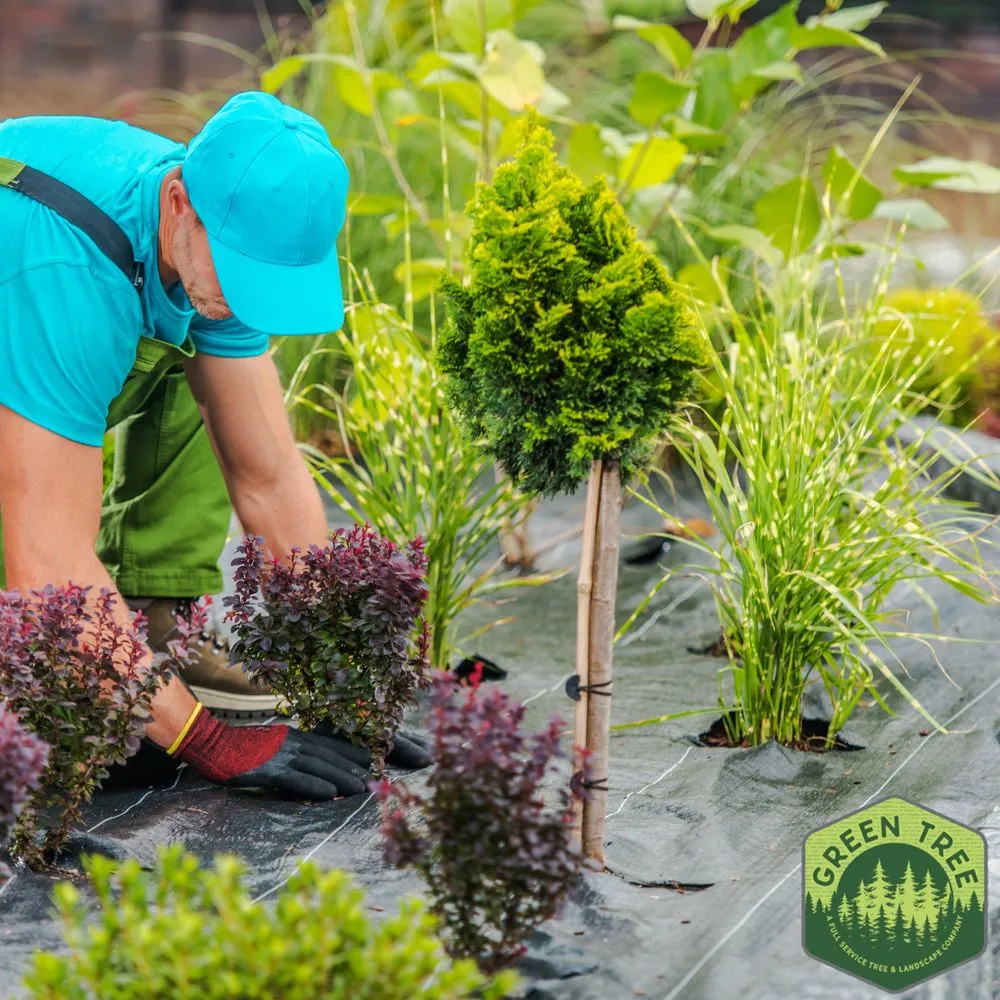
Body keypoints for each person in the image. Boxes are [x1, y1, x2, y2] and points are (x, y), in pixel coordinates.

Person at [0, 90, 429, 800]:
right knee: (36, 682)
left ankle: (149, 628)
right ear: (177, 204)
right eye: (240, 274)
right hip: (26, 291)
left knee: (210, 378)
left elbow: (268, 476)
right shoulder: (66, 271)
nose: (244, 299)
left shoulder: (211, 246)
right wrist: (207, 739)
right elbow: (47, 564)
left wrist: (338, 686)